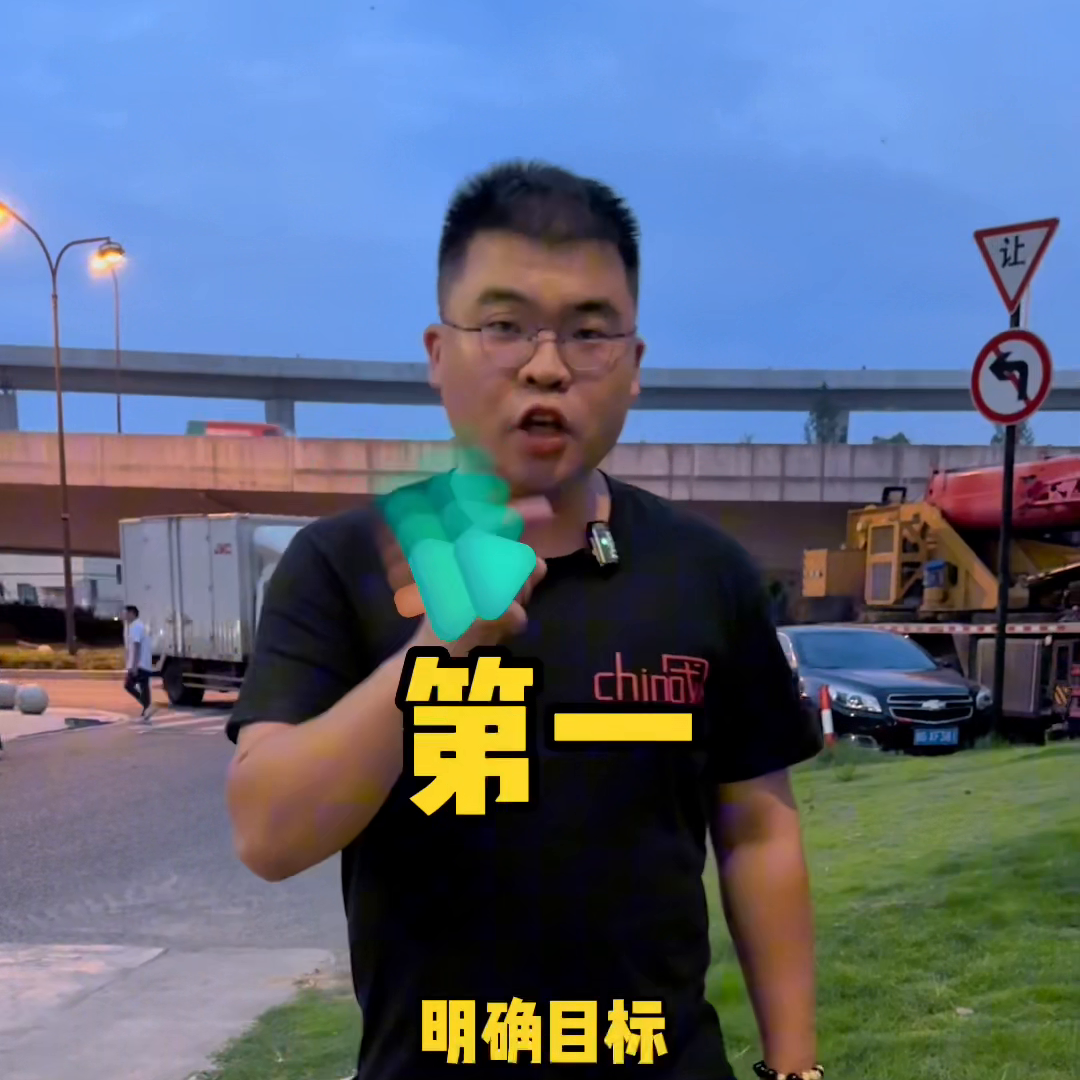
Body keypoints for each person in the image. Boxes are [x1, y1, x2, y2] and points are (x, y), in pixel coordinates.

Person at [225, 161, 823, 1079]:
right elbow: (269, 834)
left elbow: (757, 830)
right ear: (439, 353)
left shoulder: (705, 571)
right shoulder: (342, 563)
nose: (547, 365)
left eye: (589, 332)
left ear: (633, 366)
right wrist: (442, 647)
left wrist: (796, 1067)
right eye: (504, 326)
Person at [122, 604, 155, 723]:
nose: (124, 616)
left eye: (125, 613)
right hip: (144, 663)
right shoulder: (138, 625)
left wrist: (134, 666)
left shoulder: (136, 626)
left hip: (140, 664)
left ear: (132, 613)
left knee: (128, 685)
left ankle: (147, 706)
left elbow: (136, 646)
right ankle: (147, 709)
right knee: (144, 687)